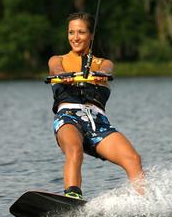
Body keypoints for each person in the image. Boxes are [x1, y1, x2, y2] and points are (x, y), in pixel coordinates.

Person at [48, 12, 144, 199]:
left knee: (133, 159)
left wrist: (100, 73)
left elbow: (108, 68)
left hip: (98, 122)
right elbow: (55, 69)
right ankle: (72, 197)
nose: (75, 37)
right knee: (75, 150)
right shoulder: (57, 60)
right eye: (71, 32)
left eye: (81, 32)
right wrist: (63, 75)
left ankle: (144, 204)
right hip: (68, 117)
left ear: (91, 35)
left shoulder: (104, 63)